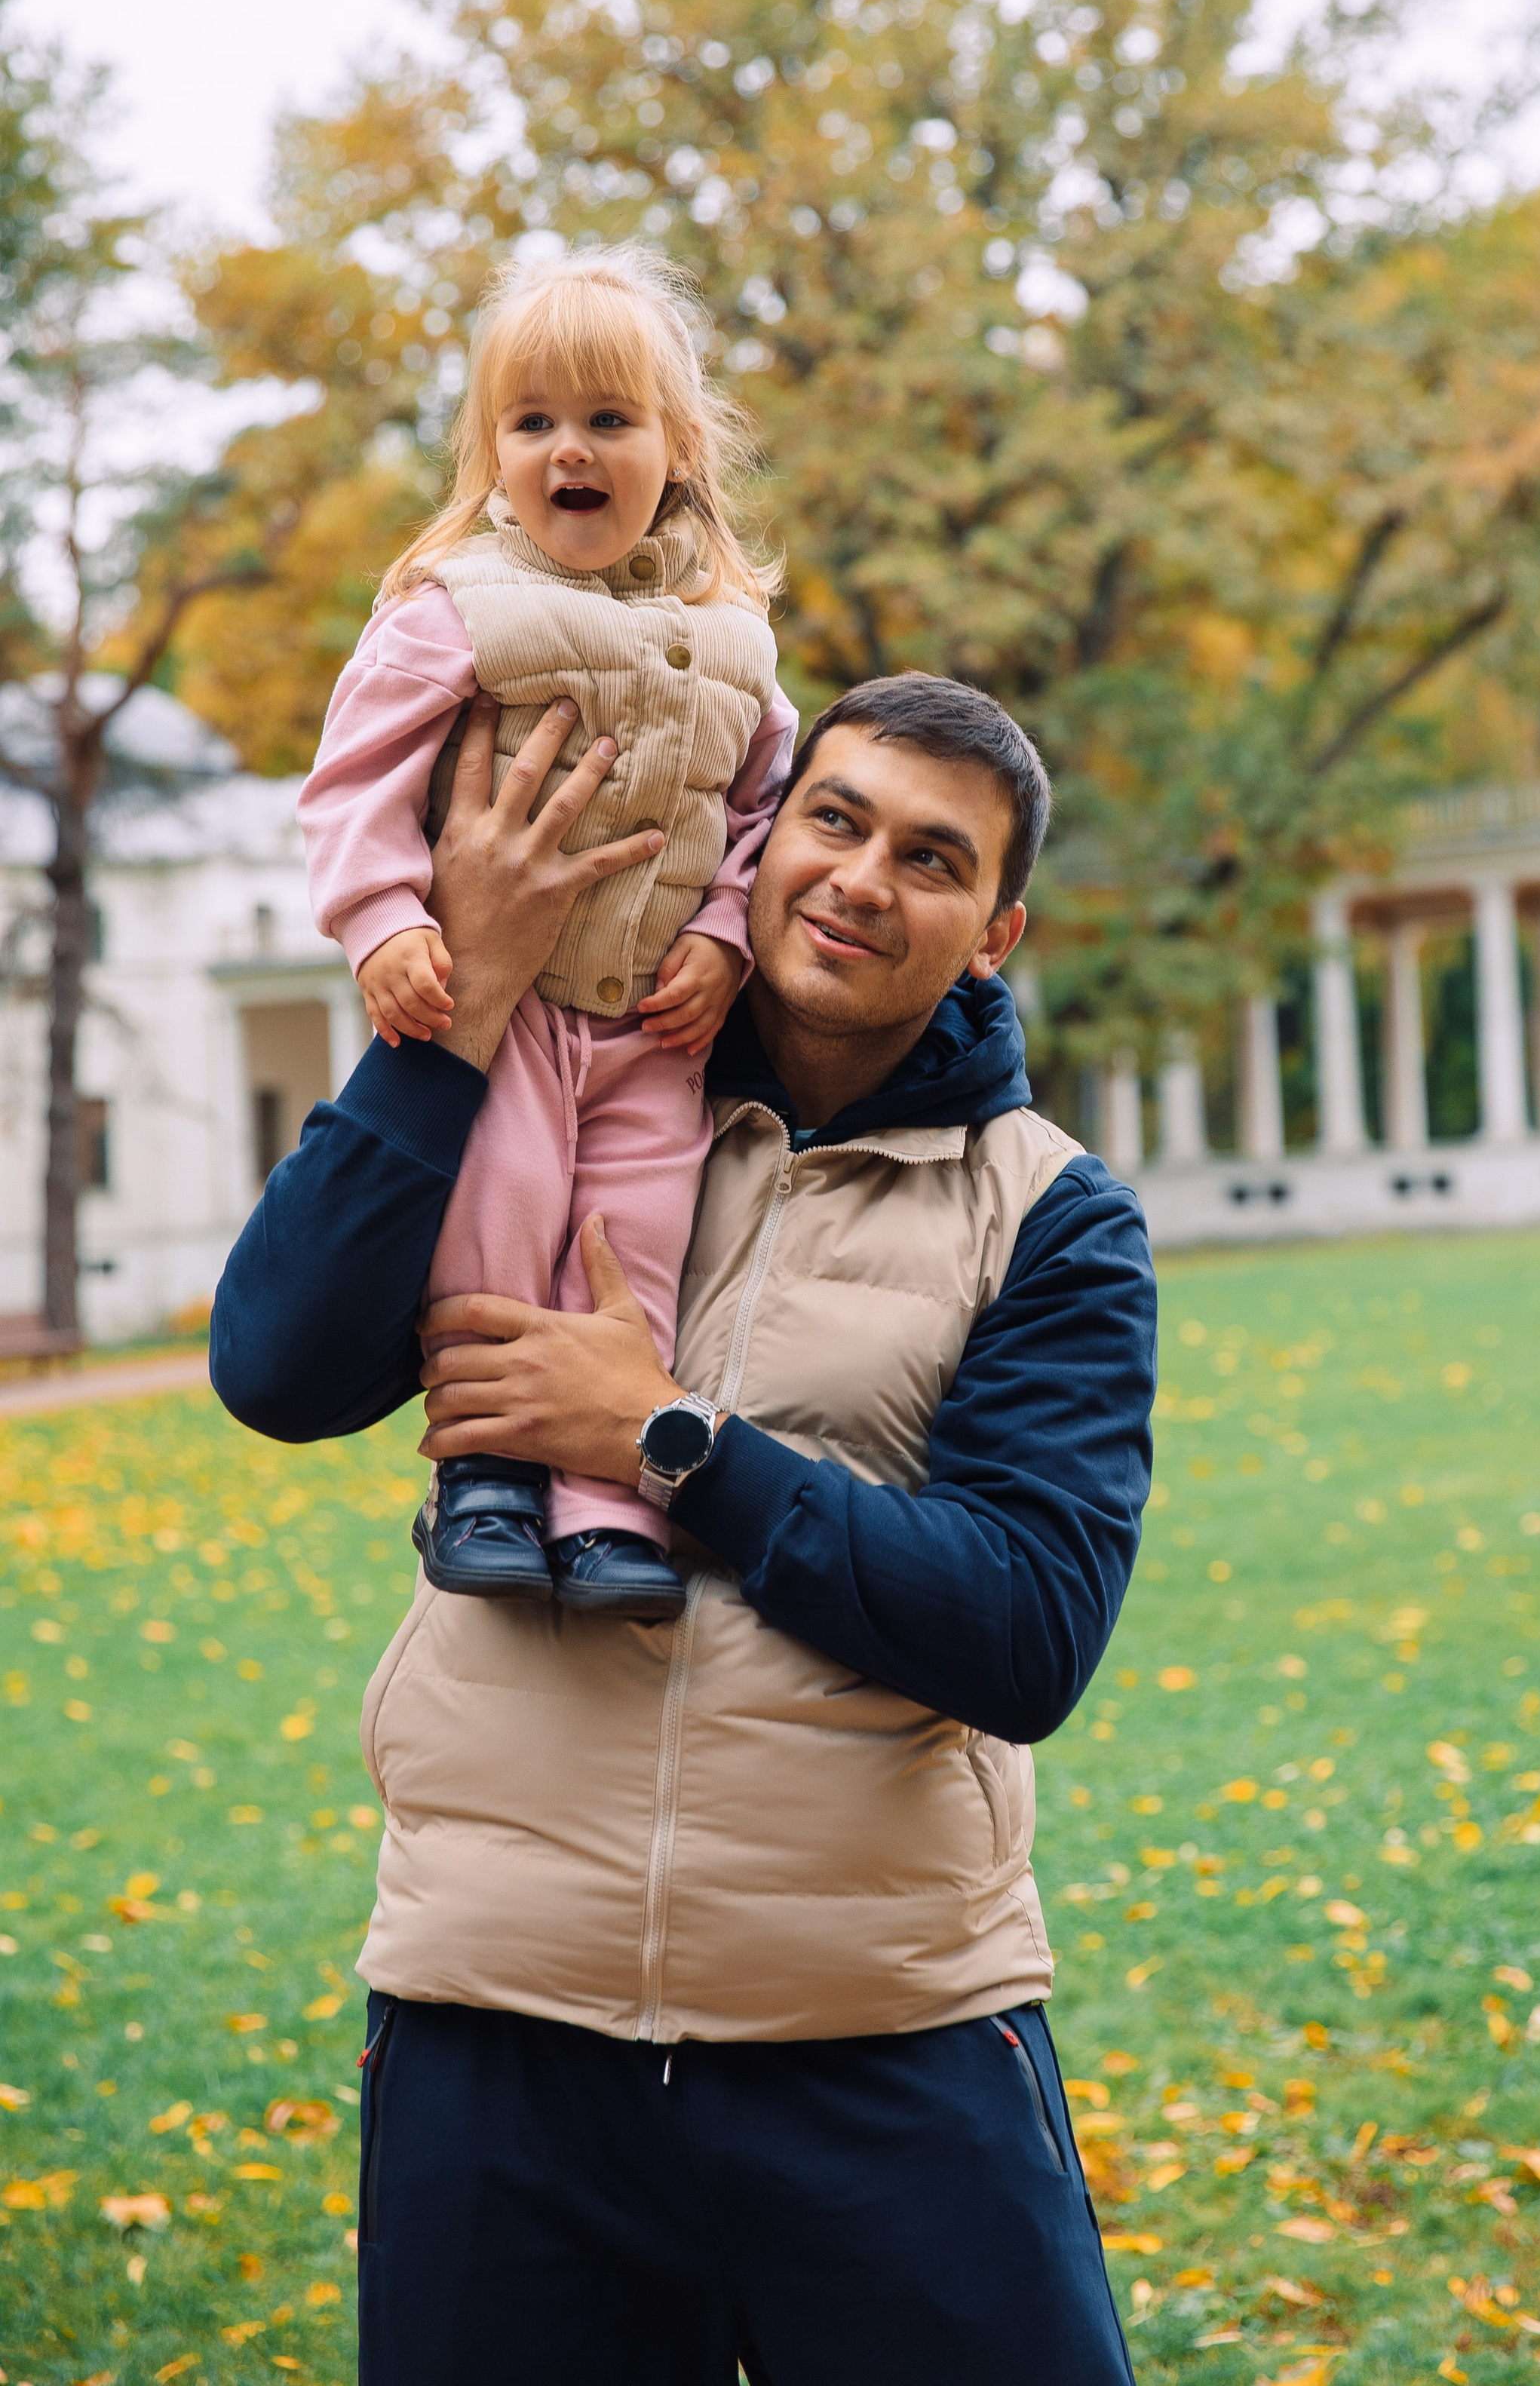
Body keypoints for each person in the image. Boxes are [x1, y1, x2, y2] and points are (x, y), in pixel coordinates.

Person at [213, 669, 1157, 2386]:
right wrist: (474, 993)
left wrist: (663, 1445)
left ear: (994, 929)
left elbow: (1021, 1632)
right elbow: (275, 1366)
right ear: (764, 833)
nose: (863, 878)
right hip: (497, 2033)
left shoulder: (1054, 1220)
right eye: (835, 818)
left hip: (878, 2037)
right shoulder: (544, 1097)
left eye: (932, 861)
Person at [296, 244, 796, 1618]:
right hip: (501, 1003)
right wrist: (384, 919)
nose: (569, 450)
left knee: (638, 1230)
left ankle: (607, 1503)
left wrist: (727, 939)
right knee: (500, 1218)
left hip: (648, 1024)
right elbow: (353, 786)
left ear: (678, 448)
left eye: (608, 421)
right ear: (494, 452)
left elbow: (759, 818)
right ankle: (490, 1479)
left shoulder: (739, 645)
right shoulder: (455, 613)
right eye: (535, 424)